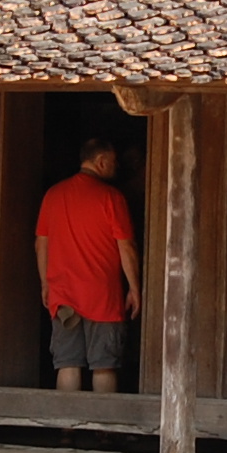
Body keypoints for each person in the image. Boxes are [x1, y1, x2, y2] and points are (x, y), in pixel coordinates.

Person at [35, 136, 140, 392]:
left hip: (64, 296)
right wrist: (134, 288)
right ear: (101, 161)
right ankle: (104, 420)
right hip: (102, 296)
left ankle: (65, 419)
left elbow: (41, 244)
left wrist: (45, 284)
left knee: (67, 363)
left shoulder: (53, 195)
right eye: (113, 161)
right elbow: (126, 247)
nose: (117, 166)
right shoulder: (112, 198)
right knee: (104, 365)